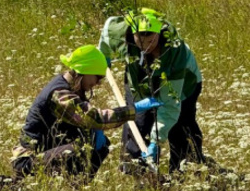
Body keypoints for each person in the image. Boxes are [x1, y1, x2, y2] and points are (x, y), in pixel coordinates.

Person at [11, 45, 162, 180]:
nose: (98, 83)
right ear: (85, 71)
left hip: (46, 151)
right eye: (97, 77)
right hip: (27, 162)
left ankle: (76, 188)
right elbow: (95, 119)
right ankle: (70, 187)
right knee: (82, 147)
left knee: (95, 143)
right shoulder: (60, 94)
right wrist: (133, 110)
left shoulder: (72, 87)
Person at [98, 8, 205, 173]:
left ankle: (185, 170)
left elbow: (170, 104)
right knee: (137, 120)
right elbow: (106, 30)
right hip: (139, 82)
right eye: (140, 41)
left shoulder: (174, 50)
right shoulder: (119, 33)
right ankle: (135, 169)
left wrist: (156, 140)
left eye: (150, 42)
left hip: (182, 84)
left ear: (159, 34)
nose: (145, 47)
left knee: (181, 125)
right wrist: (103, 55)